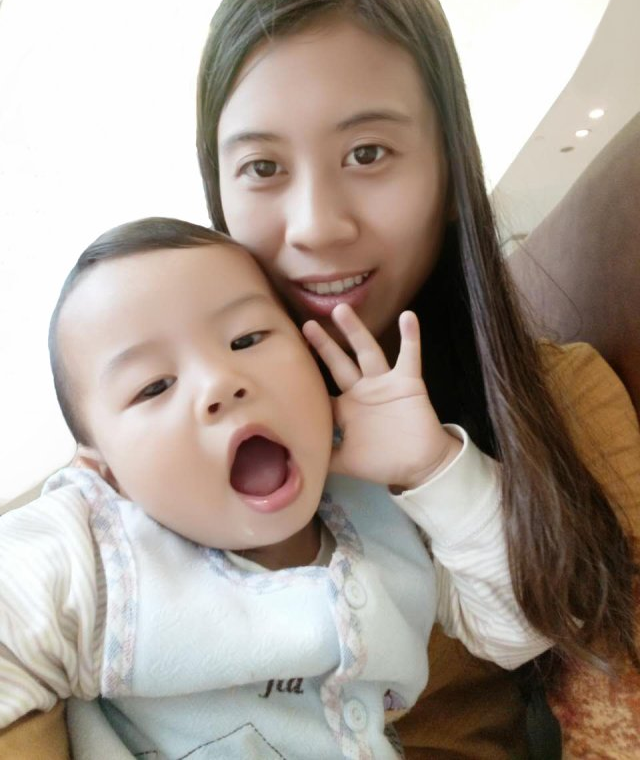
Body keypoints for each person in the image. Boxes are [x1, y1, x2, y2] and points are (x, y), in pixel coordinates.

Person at [194, 0, 640, 756]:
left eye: (367, 154)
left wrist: (435, 471)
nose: (316, 227)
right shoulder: (180, 415)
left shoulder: (556, 402)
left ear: (450, 174)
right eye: (263, 166)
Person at [0, 217, 550, 760]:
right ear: (104, 471)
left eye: (246, 339)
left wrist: (433, 467)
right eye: (154, 386)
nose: (220, 383)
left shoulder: (383, 510)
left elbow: (519, 629)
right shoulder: (98, 553)